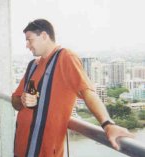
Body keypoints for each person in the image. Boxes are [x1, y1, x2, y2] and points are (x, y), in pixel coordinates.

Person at [11, 19, 134, 157]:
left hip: (45, 151)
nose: (27, 45)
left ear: (44, 36)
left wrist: (108, 124)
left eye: (29, 40)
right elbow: (14, 101)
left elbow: (87, 92)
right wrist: (22, 100)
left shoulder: (66, 57)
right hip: (20, 148)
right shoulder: (32, 65)